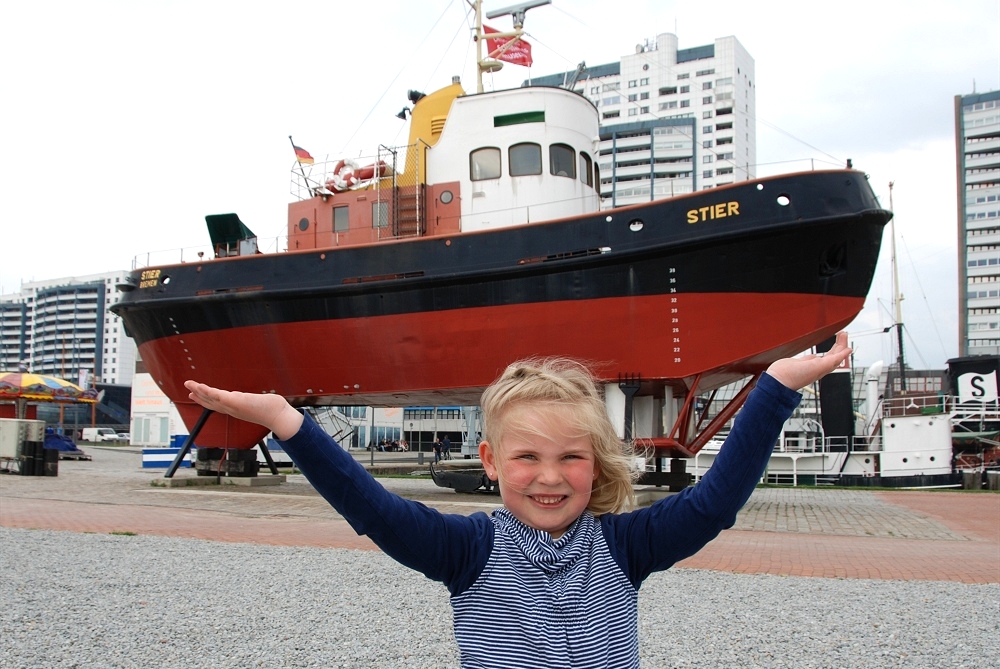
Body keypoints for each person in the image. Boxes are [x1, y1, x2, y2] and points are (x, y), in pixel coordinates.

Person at [184, 331, 852, 669]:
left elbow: (714, 504)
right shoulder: (470, 551)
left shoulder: (624, 547)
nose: (549, 477)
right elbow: (376, 509)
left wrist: (775, 385)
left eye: (571, 456)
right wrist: (287, 420)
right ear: (492, 462)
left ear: (596, 462)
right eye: (527, 456)